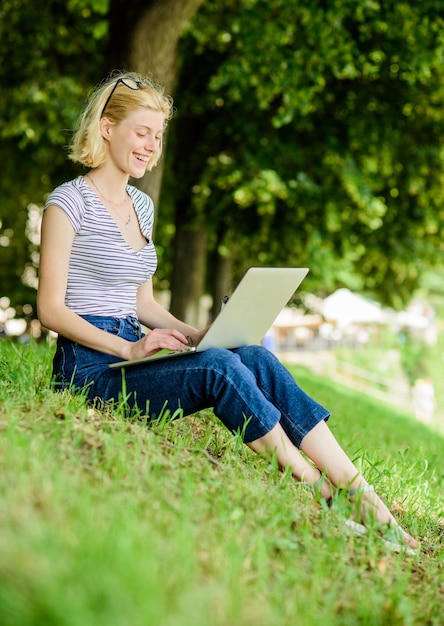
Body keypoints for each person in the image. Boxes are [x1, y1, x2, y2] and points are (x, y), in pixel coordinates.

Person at [37, 71, 417, 554]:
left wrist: (196, 334)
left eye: (158, 135)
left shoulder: (141, 205)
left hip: (132, 352)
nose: (151, 145)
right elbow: (49, 309)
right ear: (107, 127)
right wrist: (131, 347)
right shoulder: (66, 204)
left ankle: (363, 496)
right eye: (141, 131)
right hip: (88, 369)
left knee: (249, 355)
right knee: (220, 369)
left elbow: (142, 303)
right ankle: (324, 495)